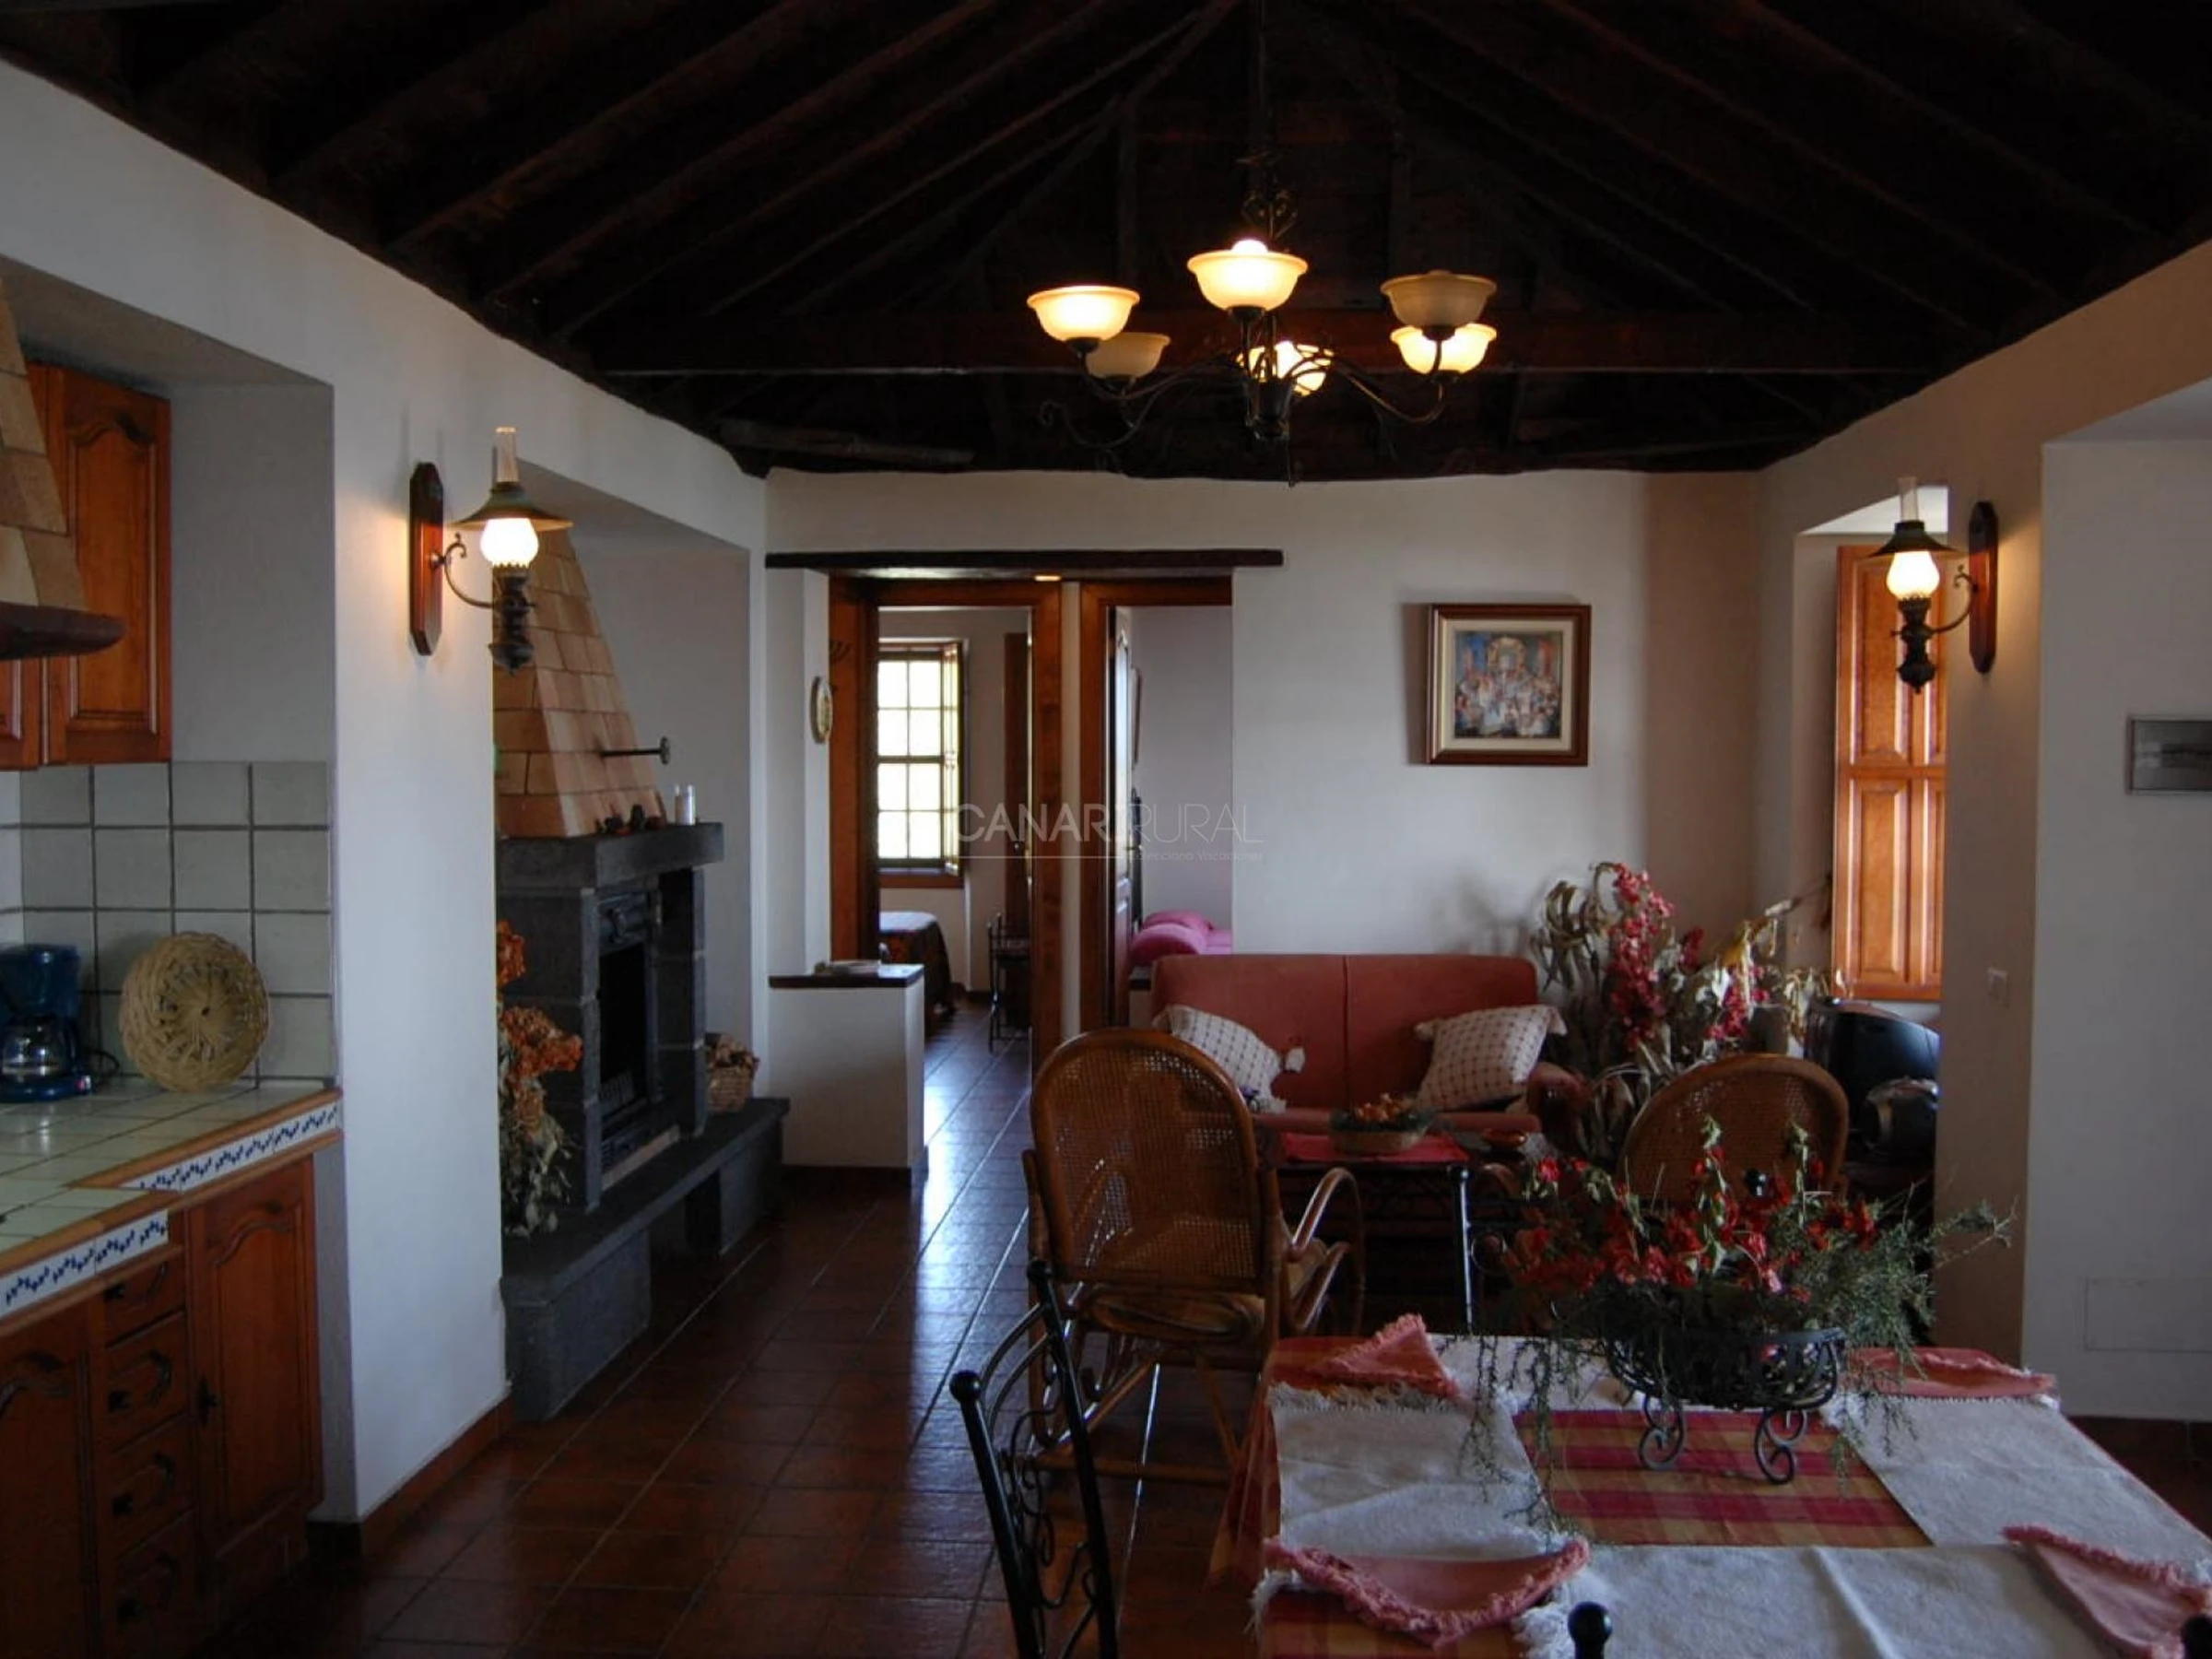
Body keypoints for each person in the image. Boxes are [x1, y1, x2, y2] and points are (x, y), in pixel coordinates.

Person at [1454, 631, 1562, 739]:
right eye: (1501, 659)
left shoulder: (1529, 681)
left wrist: (1533, 714)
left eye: (1511, 661)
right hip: (1492, 729)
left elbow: (1542, 705)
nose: (1506, 669)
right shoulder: (1487, 680)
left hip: (1522, 730)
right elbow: (1476, 702)